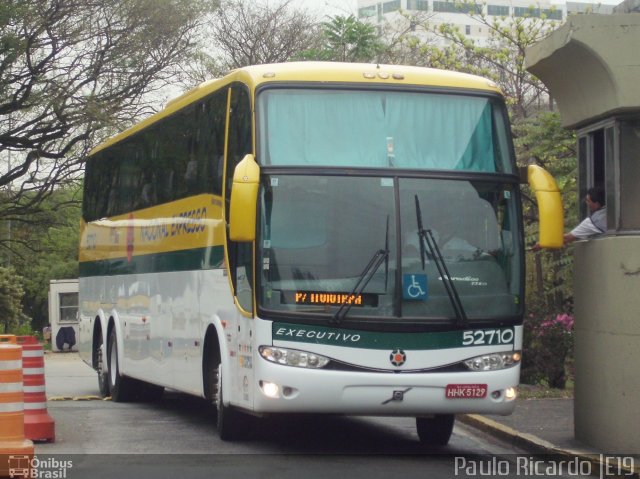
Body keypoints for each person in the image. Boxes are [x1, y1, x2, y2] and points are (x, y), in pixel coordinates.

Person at [532, 186, 606, 250]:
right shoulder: (612, 211)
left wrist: (542, 244)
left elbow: (566, 238)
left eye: (588, 201)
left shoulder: (593, 221)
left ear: (596, 204)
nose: (586, 203)